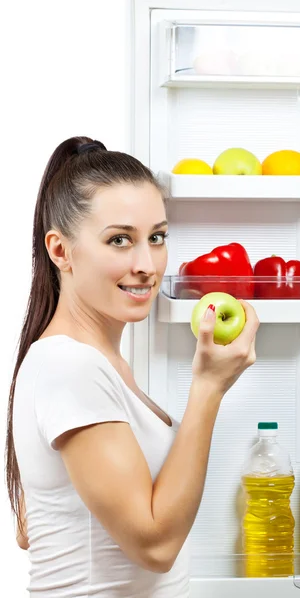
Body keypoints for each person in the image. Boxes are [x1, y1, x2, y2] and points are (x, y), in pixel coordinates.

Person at [6, 136, 259, 597]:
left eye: (156, 238)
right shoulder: (70, 365)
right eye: (119, 240)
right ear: (60, 251)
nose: (146, 264)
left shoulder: (96, 363)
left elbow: (35, 527)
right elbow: (155, 546)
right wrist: (208, 387)